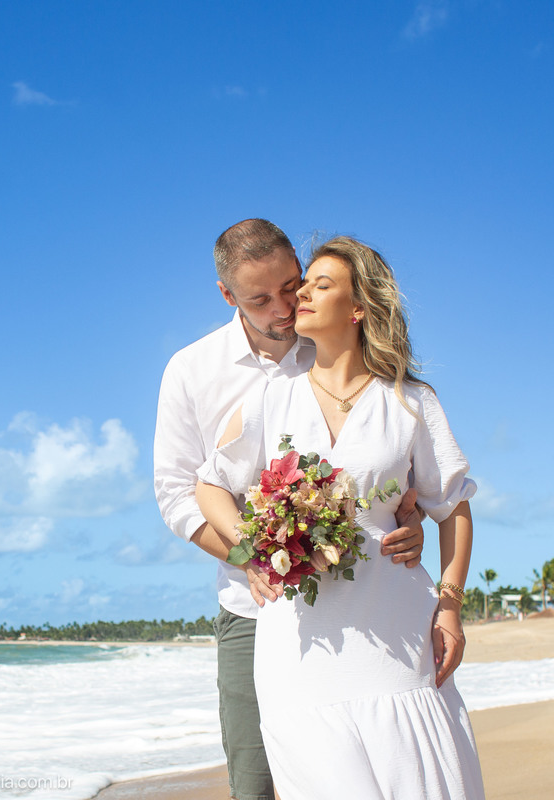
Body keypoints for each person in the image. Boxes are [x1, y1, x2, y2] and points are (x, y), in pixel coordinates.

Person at [195, 236, 483, 799]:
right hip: (297, 644)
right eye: (303, 284)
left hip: (396, 632)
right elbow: (209, 487)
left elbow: (453, 507)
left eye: (319, 285)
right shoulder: (270, 398)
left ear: (358, 308)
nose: (300, 294)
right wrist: (255, 548)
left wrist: (449, 606)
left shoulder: (411, 401)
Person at [152, 219, 424, 800]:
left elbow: (393, 454)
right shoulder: (191, 370)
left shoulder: (335, 341)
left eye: (290, 286)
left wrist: (410, 516)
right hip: (252, 609)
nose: (283, 308)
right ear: (227, 295)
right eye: (260, 299)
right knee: (255, 785)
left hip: (362, 611)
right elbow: (178, 494)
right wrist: (254, 557)